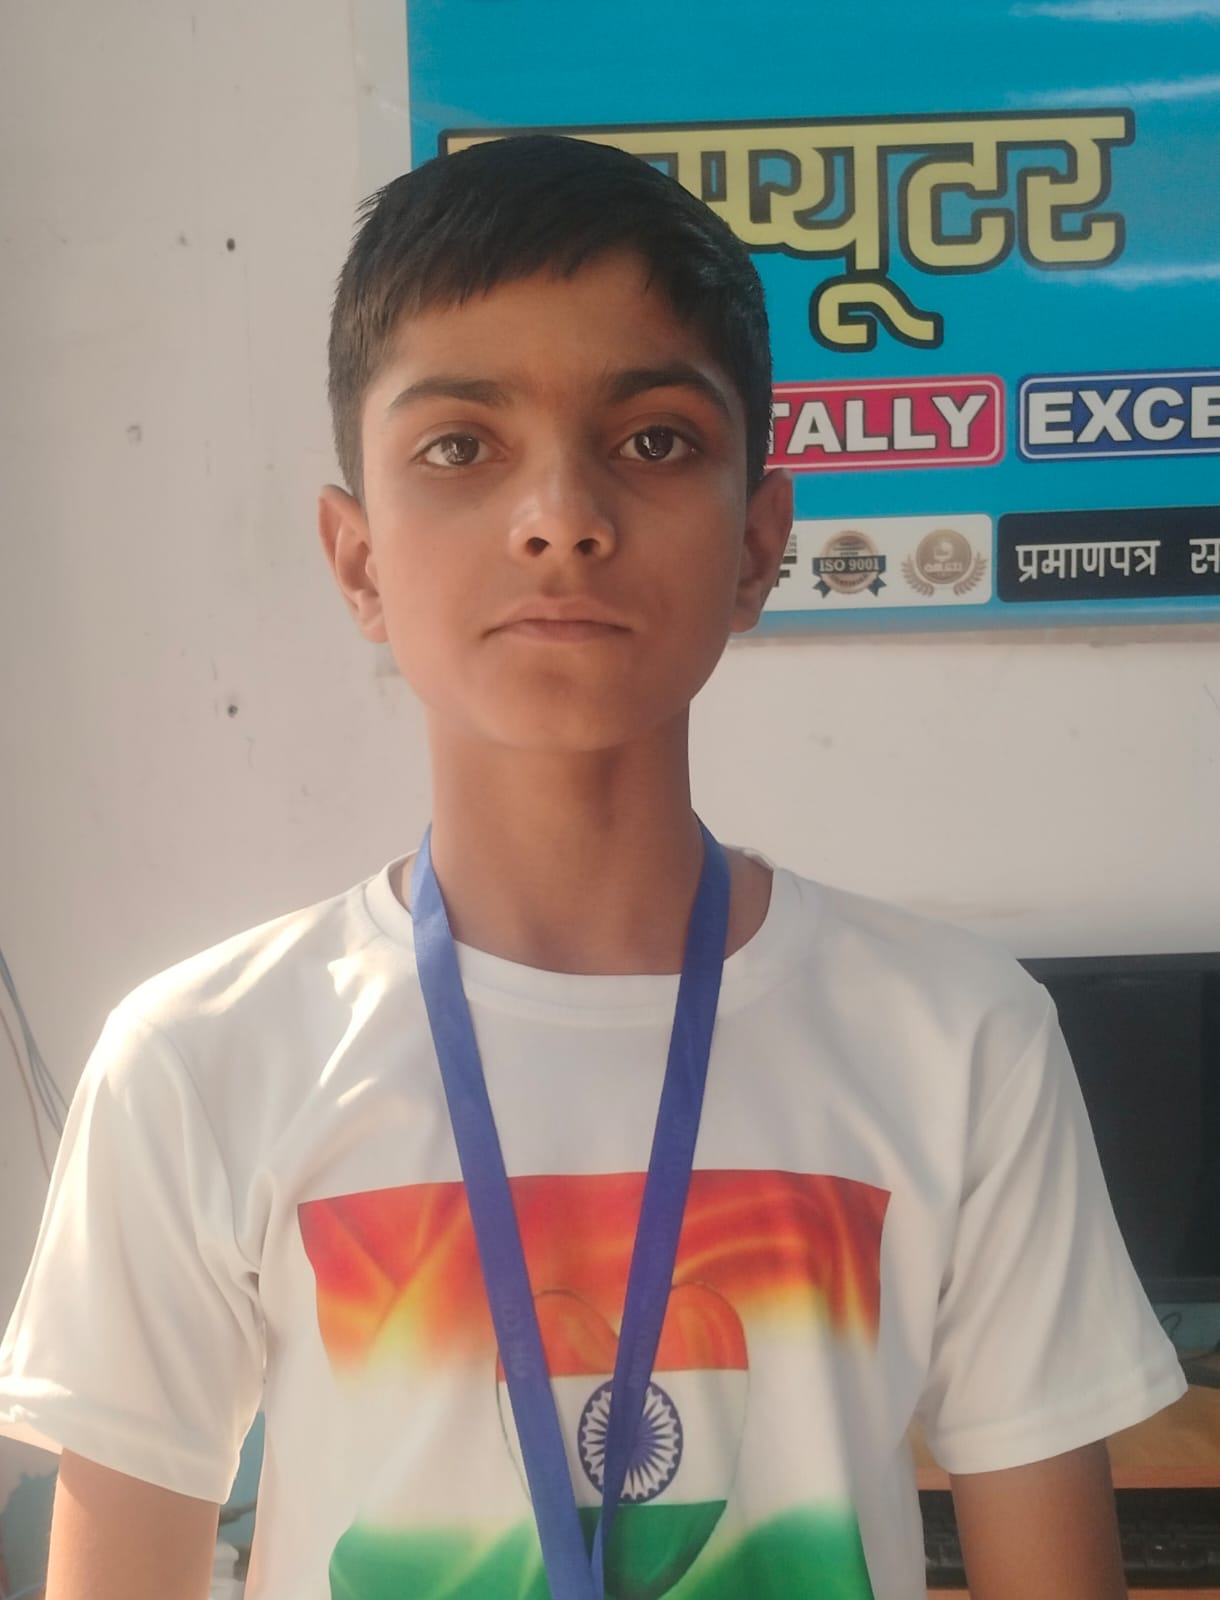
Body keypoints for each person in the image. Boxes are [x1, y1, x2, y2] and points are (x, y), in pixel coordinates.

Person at [0, 135, 1186, 1600]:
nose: (560, 514)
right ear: (357, 560)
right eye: (460, 446)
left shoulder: (960, 1042)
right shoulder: (199, 1062)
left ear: (758, 543)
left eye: (655, 441)